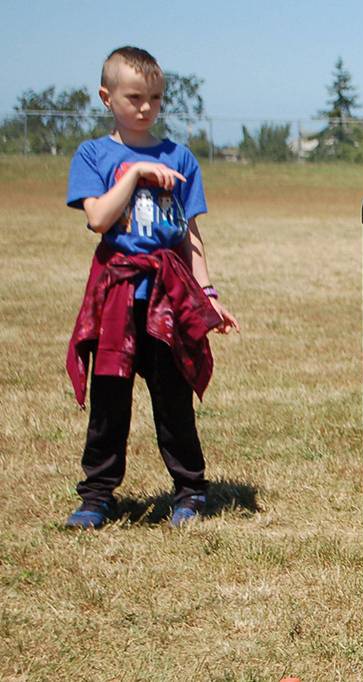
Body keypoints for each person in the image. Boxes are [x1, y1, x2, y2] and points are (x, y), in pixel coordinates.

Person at [64, 46, 239, 530]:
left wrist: (208, 295)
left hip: (167, 298)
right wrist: (136, 172)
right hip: (117, 300)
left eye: (155, 98)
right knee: (109, 401)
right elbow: (99, 218)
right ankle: (98, 495)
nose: (146, 107)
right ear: (107, 97)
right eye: (134, 97)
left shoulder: (179, 158)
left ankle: (190, 492)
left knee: (173, 400)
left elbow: (190, 236)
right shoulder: (94, 155)